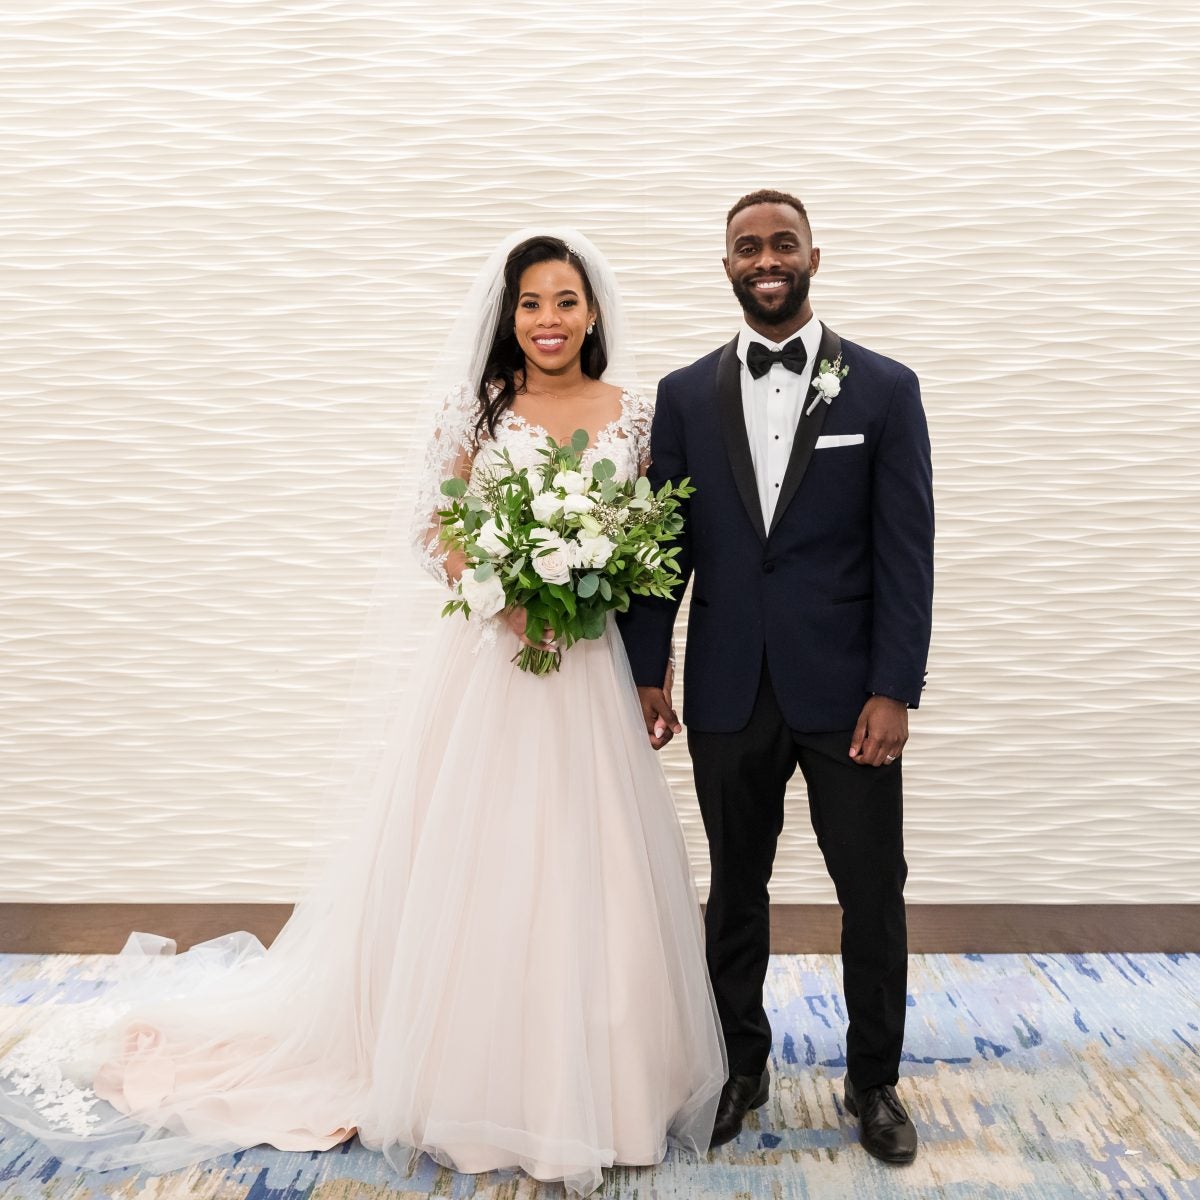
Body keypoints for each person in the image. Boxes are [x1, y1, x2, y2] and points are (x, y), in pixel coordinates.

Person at [0, 229, 726, 1197]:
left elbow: (650, 543)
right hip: (495, 668)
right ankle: (463, 1078)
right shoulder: (480, 407)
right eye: (530, 303)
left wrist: (632, 642)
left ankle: (604, 1086)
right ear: (509, 315)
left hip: (586, 670)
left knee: (591, 861)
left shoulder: (634, 413)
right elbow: (435, 530)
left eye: (565, 301)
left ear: (593, 313)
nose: (548, 320)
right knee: (477, 859)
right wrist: (508, 593)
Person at [619, 190, 934, 1165]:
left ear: (813, 258)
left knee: (872, 890)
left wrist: (895, 688)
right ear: (727, 266)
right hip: (727, 688)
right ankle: (738, 1068)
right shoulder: (682, 396)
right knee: (735, 891)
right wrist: (646, 670)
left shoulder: (884, 389)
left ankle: (873, 1080)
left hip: (849, 695)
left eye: (783, 244)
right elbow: (661, 547)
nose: (766, 259)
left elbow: (906, 553)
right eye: (748, 247)